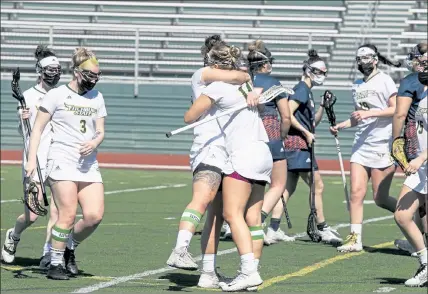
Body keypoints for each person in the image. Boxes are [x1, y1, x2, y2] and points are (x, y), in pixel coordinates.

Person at [165, 35, 253, 289]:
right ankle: (180, 249)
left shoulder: (224, 83)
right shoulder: (202, 75)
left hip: (229, 150)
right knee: (202, 200)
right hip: (209, 147)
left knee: (216, 217)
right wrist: (241, 75)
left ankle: (208, 273)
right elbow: (241, 77)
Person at [185, 43, 272, 291]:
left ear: (214, 65)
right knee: (253, 218)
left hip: (242, 154)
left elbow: (189, 117)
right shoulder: (246, 84)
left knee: (232, 214)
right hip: (262, 152)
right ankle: (252, 272)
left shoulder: (218, 87)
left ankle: (248, 273)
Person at [25, 47, 106, 280]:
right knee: (67, 214)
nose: (94, 79)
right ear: (77, 72)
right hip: (61, 160)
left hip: (88, 163)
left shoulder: (97, 97)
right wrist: (32, 161)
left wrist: (95, 142)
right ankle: (56, 263)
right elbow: (37, 129)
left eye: (97, 75)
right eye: (90, 75)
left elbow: (100, 131)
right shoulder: (56, 94)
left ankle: (69, 245)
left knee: (93, 216)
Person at [332, 44, 401, 252]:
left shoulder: (385, 80)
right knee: (355, 193)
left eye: (367, 57)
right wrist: (342, 125)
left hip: (382, 143)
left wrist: (370, 114)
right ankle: (355, 238)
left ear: (375, 59)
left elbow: (396, 109)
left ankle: (414, 217)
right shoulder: (356, 85)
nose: (363, 61)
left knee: (380, 198)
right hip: (361, 145)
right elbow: (358, 116)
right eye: (360, 58)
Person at [2, 45, 60, 268]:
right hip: (34, 160)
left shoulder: (61, 95)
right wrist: (23, 118)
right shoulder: (27, 96)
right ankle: (13, 236)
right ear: (40, 71)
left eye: (57, 70)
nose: (54, 75)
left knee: (57, 209)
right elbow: (23, 132)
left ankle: (48, 254)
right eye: (50, 71)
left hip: (58, 159)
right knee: (33, 215)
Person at [281, 49, 342, 244]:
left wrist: (323, 106)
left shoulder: (306, 91)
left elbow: (312, 121)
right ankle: (322, 228)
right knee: (318, 185)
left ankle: (271, 226)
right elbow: (288, 115)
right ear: (308, 70)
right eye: (319, 72)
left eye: (324, 73)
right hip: (298, 144)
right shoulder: (300, 89)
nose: (321, 76)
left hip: (299, 145)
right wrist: (306, 132)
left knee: (286, 188)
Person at [246, 40, 294, 244]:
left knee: (250, 183)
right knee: (278, 184)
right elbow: (286, 116)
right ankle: (257, 221)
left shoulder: (243, 81)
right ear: (265, 64)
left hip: (246, 136)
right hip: (270, 135)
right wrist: (282, 136)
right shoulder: (273, 82)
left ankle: (234, 223)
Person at [394, 61, 427, 287]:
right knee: (402, 215)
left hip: (423, 162)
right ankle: (426, 262)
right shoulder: (424, 93)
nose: (422, 70)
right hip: (422, 166)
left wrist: (420, 157)